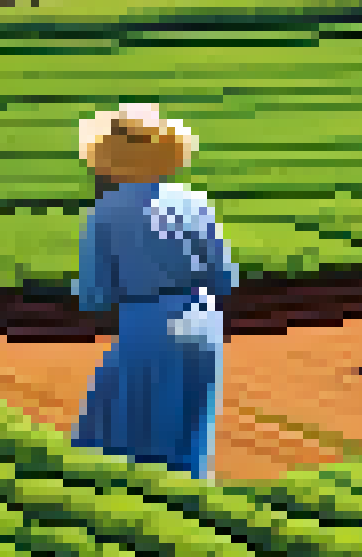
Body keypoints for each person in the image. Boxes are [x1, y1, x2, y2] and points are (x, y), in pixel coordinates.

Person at [68, 104, 237, 479]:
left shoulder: (104, 212)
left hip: (146, 324)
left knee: (123, 429)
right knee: (192, 429)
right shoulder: (195, 202)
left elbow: (95, 295)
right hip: (204, 321)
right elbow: (225, 276)